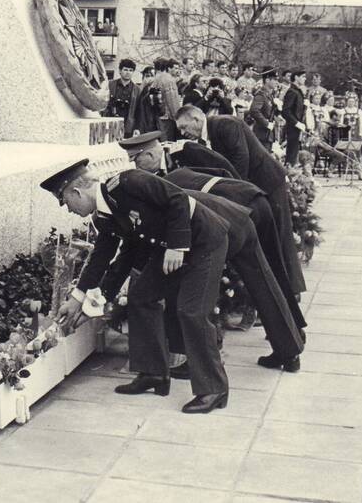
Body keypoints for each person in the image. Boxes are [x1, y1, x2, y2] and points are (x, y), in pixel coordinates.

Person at [46, 161, 230, 413]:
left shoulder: (129, 182)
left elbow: (178, 199)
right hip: (167, 248)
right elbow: (104, 257)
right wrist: (80, 298)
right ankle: (154, 374)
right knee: (141, 297)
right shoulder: (104, 216)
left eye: (66, 202)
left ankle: (214, 389)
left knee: (192, 311)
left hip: (202, 240)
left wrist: (178, 246)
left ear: (77, 192)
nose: (69, 210)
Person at [120, 132, 307, 368]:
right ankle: (289, 351)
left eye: (136, 159)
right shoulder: (168, 175)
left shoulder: (169, 176)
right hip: (246, 205)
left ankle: (198, 354)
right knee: (264, 281)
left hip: (238, 211)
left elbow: (223, 170)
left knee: (197, 282)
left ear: (150, 154)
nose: (134, 166)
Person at [174, 106, 308, 297]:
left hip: (268, 183)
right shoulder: (209, 132)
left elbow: (240, 158)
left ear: (196, 119)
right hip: (255, 185)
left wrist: (237, 194)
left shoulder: (225, 124)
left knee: (278, 236)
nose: (183, 132)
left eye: (184, 127)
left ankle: (290, 292)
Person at [281, 71, 307, 166]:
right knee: (291, 154)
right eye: (303, 76)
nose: (305, 79)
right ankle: (288, 174)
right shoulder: (292, 91)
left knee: (294, 153)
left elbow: (298, 110)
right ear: (296, 77)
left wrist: (304, 106)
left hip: (297, 127)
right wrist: (296, 123)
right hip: (292, 127)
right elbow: (286, 111)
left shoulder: (298, 91)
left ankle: (290, 173)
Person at [248, 72, 278, 146]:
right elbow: (254, 110)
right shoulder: (261, 94)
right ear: (267, 80)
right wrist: (266, 123)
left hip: (267, 134)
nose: (276, 82)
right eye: (274, 79)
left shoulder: (269, 94)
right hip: (261, 133)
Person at [105, 58, 137, 125]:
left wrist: (137, 128)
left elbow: (139, 111)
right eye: (125, 70)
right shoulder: (110, 85)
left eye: (131, 70)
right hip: (110, 123)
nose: (128, 72)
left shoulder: (137, 90)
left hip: (128, 126)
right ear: (120, 71)